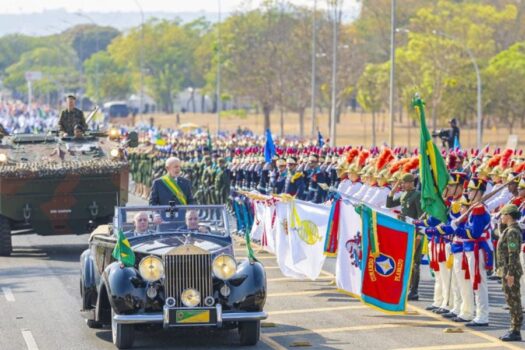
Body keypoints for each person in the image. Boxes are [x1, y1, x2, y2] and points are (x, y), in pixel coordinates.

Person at [386, 173, 423, 300]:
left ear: (411, 183)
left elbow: (421, 216)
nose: (402, 185)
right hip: (404, 231)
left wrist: (419, 235)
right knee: (405, 259)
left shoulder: (417, 195)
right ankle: (405, 287)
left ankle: (414, 290)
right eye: (401, 183)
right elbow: (389, 204)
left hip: (414, 232)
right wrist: (393, 189)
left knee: (415, 262)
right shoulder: (403, 194)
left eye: (404, 183)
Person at [497, 204, 523, 341]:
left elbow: (513, 253)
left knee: (514, 300)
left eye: (502, 215)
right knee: (510, 299)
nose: (501, 217)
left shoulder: (512, 232)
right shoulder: (509, 230)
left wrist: (511, 273)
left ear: (508, 216)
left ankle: (516, 330)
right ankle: (513, 328)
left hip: (510, 270)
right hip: (507, 269)